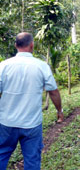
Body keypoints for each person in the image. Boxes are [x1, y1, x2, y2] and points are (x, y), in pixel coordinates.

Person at [0, 32, 63, 170]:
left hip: (6, 122)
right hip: (31, 124)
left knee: (2, 155)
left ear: (16, 45)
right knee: (32, 160)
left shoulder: (3, 66)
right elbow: (53, 91)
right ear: (32, 45)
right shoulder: (41, 66)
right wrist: (60, 111)